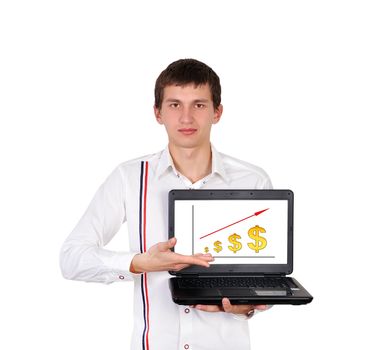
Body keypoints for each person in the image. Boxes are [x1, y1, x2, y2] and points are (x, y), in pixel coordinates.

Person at [60, 58, 273, 350]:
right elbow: (72, 258)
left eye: (198, 105)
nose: (186, 118)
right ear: (158, 113)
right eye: (174, 105)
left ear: (217, 112)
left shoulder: (252, 180)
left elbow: (265, 275)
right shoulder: (129, 177)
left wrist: (246, 306)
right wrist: (137, 263)